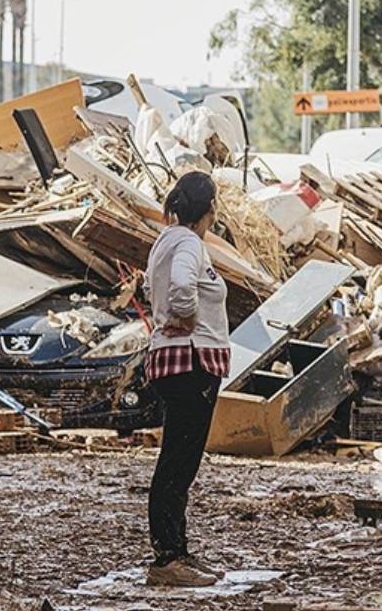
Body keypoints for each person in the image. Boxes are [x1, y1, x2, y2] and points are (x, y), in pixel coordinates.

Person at [142, 171, 232, 587]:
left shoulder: (169, 241)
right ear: (210, 209)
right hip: (189, 362)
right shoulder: (189, 243)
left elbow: (151, 289)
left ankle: (178, 551)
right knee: (178, 463)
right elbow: (180, 287)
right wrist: (188, 315)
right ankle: (167, 559)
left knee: (180, 461)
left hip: (178, 359)